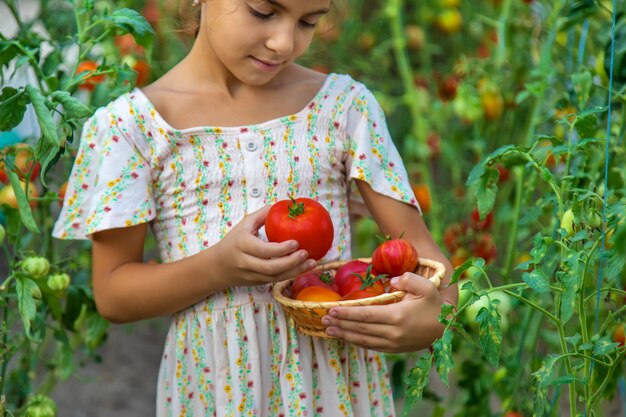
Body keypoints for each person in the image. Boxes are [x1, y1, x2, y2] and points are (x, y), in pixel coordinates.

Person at [53, 0, 457, 415]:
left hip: (337, 391)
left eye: (308, 22)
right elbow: (114, 294)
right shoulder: (132, 128)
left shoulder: (344, 108)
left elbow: (434, 270)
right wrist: (218, 267)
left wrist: (433, 319)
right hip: (217, 393)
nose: (283, 42)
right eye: (263, 12)